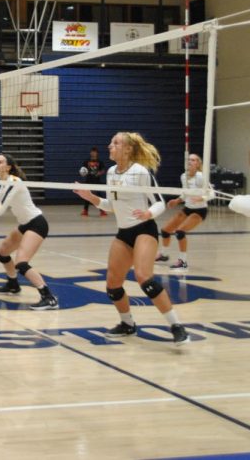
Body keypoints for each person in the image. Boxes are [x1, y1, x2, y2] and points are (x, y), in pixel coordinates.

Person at [74, 132, 190, 346]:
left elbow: (159, 203)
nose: (110, 146)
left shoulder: (140, 172)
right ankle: (127, 324)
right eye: (110, 142)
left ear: (128, 149)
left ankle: (176, 326)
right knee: (112, 284)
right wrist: (91, 198)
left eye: (115, 143)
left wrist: (148, 214)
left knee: (144, 277)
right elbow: (111, 207)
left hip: (144, 228)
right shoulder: (110, 172)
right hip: (124, 232)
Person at [0, 153, 58, 310]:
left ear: (8, 167)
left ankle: (48, 297)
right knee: (2, 252)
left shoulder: (14, 181)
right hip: (25, 224)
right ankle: (13, 284)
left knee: (21, 263)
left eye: (0, 162)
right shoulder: (5, 182)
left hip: (37, 224)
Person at [156, 153, 209, 271]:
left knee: (180, 232)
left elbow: (211, 193)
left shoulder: (201, 177)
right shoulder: (183, 176)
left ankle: (183, 262)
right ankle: (164, 255)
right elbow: (185, 193)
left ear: (198, 164)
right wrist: (177, 200)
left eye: (194, 160)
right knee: (165, 230)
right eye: (189, 160)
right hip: (187, 209)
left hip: (200, 211)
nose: (190, 162)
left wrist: (201, 198)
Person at [80, 147, 107, 217]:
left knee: (99, 196)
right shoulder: (86, 161)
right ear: (90, 153)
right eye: (92, 151)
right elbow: (83, 170)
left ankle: (102, 210)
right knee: (87, 196)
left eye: (94, 152)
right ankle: (85, 211)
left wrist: (99, 173)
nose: (93, 153)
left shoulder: (100, 162)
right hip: (88, 181)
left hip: (97, 181)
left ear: (97, 153)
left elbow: (103, 170)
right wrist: (83, 173)